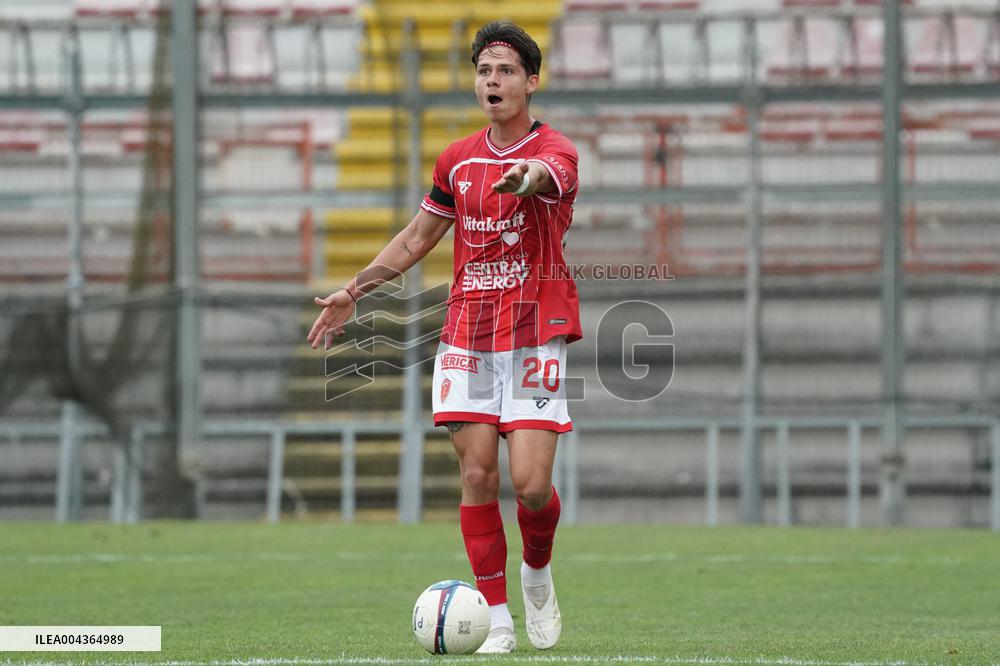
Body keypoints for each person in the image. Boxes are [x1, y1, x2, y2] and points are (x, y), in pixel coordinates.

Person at [307, 21, 582, 654]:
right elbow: (415, 239)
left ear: (531, 82)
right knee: (478, 474)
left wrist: (524, 179)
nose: (493, 81)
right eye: (484, 71)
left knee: (531, 486)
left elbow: (546, 176)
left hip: (534, 331)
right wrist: (354, 290)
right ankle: (498, 618)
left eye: (506, 71)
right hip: (467, 333)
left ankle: (536, 571)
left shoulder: (557, 150)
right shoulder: (456, 160)